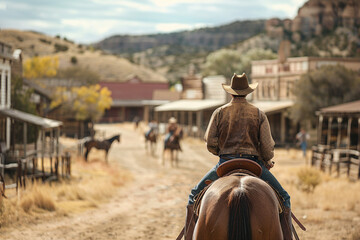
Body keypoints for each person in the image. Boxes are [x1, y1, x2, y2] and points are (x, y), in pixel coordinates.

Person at [182, 73, 293, 240]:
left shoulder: (219, 112)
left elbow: (209, 141)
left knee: (194, 195)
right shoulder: (258, 113)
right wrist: (266, 159)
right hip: (253, 163)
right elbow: (268, 147)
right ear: (247, 92)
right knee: (284, 197)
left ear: (231, 92)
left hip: (225, 162)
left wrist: (220, 151)